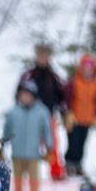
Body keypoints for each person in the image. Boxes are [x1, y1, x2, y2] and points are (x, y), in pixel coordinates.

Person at [19, 42, 67, 178]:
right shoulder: (29, 74)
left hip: (49, 116)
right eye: (41, 55)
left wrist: (64, 112)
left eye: (46, 55)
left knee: (53, 145)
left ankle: (56, 172)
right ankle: (26, 172)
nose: (43, 58)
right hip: (31, 116)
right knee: (29, 143)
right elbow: (19, 94)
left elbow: (61, 96)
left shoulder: (54, 76)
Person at [2, 81, 51, 191]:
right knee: (17, 184)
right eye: (22, 94)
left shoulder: (42, 112)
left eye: (27, 94)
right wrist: (2, 148)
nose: (25, 97)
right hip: (17, 155)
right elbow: (6, 132)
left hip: (33, 156)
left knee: (34, 183)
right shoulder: (13, 112)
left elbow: (47, 131)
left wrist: (49, 148)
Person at [64, 54, 96, 177]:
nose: (88, 70)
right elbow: (68, 98)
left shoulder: (95, 84)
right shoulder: (74, 81)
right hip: (74, 119)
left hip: (87, 119)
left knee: (83, 143)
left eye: (90, 68)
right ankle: (69, 164)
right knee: (73, 143)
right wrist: (68, 113)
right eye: (85, 67)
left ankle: (78, 164)